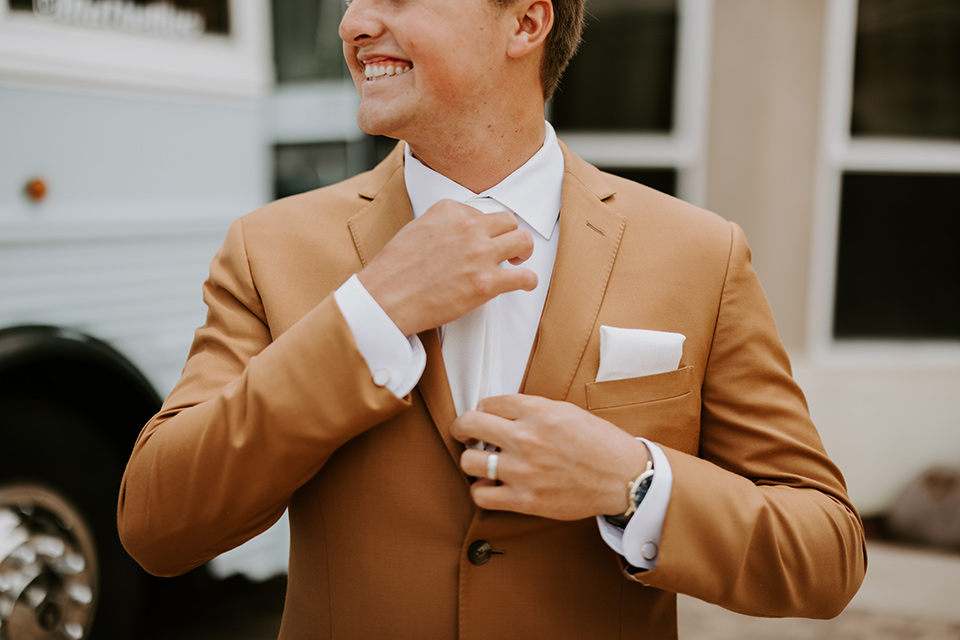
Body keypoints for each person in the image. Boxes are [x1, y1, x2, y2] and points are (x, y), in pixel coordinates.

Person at [118, 0, 867, 638]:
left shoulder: (699, 254)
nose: (353, 21)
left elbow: (826, 555)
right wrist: (366, 318)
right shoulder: (268, 249)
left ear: (526, 22)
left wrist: (634, 484)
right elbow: (158, 525)